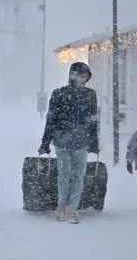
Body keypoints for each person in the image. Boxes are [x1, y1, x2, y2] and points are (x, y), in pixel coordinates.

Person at [38, 62, 99, 224]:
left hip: (81, 142)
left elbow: (93, 120)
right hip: (62, 141)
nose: (84, 80)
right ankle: (61, 206)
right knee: (65, 175)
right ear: (74, 75)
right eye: (82, 76)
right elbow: (51, 119)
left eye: (86, 77)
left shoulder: (90, 95)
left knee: (78, 176)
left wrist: (93, 141)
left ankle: (72, 209)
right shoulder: (59, 94)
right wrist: (45, 142)